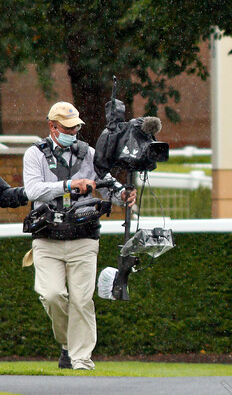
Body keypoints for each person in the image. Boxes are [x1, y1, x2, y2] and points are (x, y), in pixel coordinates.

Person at [22, 101, 136, 371]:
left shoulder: (89, 153)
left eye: (76, 128)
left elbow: (107, 185)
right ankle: (66, 344)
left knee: (83, 300)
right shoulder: (34, 154)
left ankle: (81, 360)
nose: (73, 133)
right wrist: (69, 185)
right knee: (51, 296)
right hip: (47, 238)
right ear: (53, 126)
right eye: (68, 128)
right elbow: (33, 191)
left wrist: (122, 195)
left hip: (84, 237)